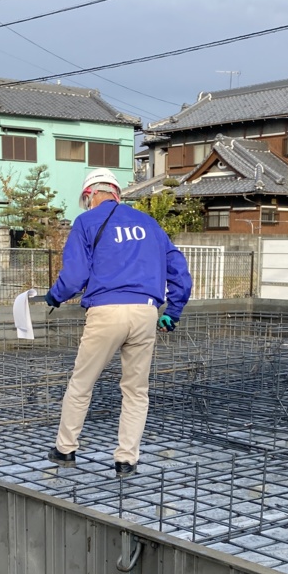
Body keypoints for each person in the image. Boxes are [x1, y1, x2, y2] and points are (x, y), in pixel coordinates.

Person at [45, 168, 192, 477]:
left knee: (82, 383)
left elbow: (74, 276)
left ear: (89, 196)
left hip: (106, 312)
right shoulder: (149, 224)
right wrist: (172, 311)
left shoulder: (86, 221)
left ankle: (66, 449)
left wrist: (55, 297)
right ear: (116, 193)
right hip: (146, 312)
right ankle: (126, 460)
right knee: (136, 390)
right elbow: (179, 270)